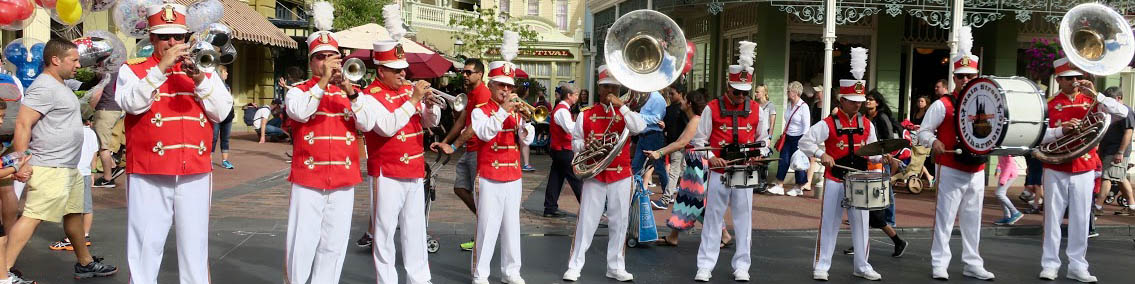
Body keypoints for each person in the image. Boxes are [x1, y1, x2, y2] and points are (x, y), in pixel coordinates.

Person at [113, 3, 234, 282]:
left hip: (195, 170)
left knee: (195, 247)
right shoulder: (134, 70)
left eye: (178, 37)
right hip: (149, 169)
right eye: (165, 36)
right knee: (146, 244)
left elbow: (221, 111)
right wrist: (160, 70)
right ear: (152, 39)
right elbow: (131, 104)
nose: (172, 42)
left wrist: (201, 79)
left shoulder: (202, 69)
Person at [5, 38, 118, 282]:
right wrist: (22, 161)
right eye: (74, 60)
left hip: (68, 167)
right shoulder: (44, 86)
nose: (78, 64)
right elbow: (24, 123)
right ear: (55, 60)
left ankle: (85, 263)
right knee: (33, 216)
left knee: (74, 215)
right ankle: (3, 272)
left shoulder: (61, 85)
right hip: (50, 166)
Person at [282, 27, 381, 283]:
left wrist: (350, 90)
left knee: (334, 245)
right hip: (308, 178)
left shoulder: (353, 92)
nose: (326, 61)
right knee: (301, 242)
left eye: (331, 55)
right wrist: (324, 82)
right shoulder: (298, 90)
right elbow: (299, 112)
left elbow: (368, 123)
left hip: (343, 178)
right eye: (320, 56)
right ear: (311, 60)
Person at [1036, 57, 1128, 282]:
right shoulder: (1047, 104)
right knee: (1053, 218)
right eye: (1068, 78)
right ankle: (1050, 264)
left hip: (1084, 165)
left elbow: (1123, 113)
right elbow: (1038, 137)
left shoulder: (1093, 100)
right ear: (1058, 80)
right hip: (1056, 164)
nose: (1074, 82)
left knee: (1080, 218)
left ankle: (1078, 265)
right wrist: (1061, 130)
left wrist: (1098, 95)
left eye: (1077, 77)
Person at [917, 30, 997, 280]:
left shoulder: (987, 102)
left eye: (970, 76)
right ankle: (939, 262)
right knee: (945, 218)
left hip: (977, 169)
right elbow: (923, 132)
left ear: (977, 77)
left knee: (973, 218)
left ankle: (972, 262)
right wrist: (935, 141)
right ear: (954, 77)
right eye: (961, 76)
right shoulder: (943, 104)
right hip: (950, 166)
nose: (965, 80)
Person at [802, 48, 887, 281]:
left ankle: (862, 265)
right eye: (854, 101)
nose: (859, 105)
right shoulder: (828, 123)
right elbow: (805, 141)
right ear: (843, 100)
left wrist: (885, 158)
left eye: (861, 101)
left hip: (859, 181)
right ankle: (822, 265)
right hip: (835, 179)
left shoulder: (867, 125)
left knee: (861, 224)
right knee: (829, 223)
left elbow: (874, 151)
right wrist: (821, 153)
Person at [362, 33, 440, 283]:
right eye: (395, 70)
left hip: (414, 168)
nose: (402, 74)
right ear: (380, 69)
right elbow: (385, 126)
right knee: (384, 232)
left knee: (415, 229)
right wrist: (414, 99)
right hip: (387, 171)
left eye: (403, 69)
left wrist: (428, 106)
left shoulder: (408, 90)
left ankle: (419, 277)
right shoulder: (369, 95)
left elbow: (431, 123)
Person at [691, 41, 767, 282]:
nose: (741, 96)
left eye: (745, 92)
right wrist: (712, 158)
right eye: (737, 91)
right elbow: (700, 141)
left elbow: (763, 140)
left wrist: (759, 154)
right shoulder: (711, 108)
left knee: (744, 219)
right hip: (719, 172)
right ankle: (705, 265)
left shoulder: (757, 110)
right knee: (713, 217)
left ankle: (742, 265)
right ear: (728, 86)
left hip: (744, 171)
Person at [561, 65, 646, 282]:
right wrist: (586, 145)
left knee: (620, 221)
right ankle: (575, 265)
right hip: (595, 175)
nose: (610, 91)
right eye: (606, 87)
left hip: (621, 174)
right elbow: (575, 142)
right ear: (598, 89)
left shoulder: (626, 113)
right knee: (587, 221)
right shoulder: (586, 114)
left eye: (614, 87)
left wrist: (623, 108)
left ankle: (616, 266)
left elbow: (639, 128)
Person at [469, 58, 531, 284]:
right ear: (491, 85)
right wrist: (504, 111)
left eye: (510, 86)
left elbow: (527, 141)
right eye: (501, 85)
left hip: (513, 175)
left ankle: (511, 271)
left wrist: (526, 123)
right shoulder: (480, 111)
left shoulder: (516, 112)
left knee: (512, 226)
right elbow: (485, 133)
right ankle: (480, 273)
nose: (506, 90)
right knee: (487, 226)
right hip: (489, 175)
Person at [428, 58, 490, 252]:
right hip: (470, 150)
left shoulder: (484, 93)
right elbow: (462, 120)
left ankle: (484, 233)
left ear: (480, 74)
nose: (464, 75)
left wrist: (453, 147)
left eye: (468, 72)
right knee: (460, 188)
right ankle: (486, 225)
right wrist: (444, 142)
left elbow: (474, 127)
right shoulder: (472, 94)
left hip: (479, 150)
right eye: (463, 72)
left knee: (479, 196)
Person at [48, 111, 98, 251]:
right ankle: (85, 234)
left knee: (71, 207)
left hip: (73, 171)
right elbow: (95, 154)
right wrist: (93, 172)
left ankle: (71, 237)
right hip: (86, 172)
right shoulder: (92, 133)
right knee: (87, 206)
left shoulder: (71, 132)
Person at [542, 83, 582, 217]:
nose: (577, 97)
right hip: (563, 150)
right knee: (577, 179)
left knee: (556, 178)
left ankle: (550, 207)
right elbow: (571, 129)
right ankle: (588, 208)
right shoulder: (562, 111)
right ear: (569, 95)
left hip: (560, 149)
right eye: (575, 95)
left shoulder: (563, 109)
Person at [1096, 86, 1135, 216]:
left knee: (1106, 177)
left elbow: (1128, 133)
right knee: (1120, 177)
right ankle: (1132, 206)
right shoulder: (1109, 110)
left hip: (1116, 150)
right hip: (1107, 148)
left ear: (1119, 98)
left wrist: (1120, 152)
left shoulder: (1127, 111)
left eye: (1111, 100)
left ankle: (1098, 206)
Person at [770, 81, 810, 196]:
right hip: (788, 136)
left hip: (799, 138)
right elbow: (788, 121)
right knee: (784, 160)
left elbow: (806, 126)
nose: (787, 93)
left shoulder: (804, 107)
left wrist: (802, 141)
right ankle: (779, 185)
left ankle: (798, 186)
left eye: (789, 91)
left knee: (798, 162)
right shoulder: (789, 105)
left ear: (795, 92)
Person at [655, 86, 690, 208]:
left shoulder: (684, 109)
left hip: (679, 144)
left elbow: (688, 127)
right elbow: (668, 125)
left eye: (672, 93)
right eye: (669, 94)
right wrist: (664, 126)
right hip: (674, 143)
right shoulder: (669, 109)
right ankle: (688, 195)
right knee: (684, 170)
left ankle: (666, 199)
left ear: (680, 94)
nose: (670, 96)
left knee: (675, 171)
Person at [86, 72, 123, 187]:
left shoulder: (104, 74)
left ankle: (107, 178)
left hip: (105, 110)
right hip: (116, 108)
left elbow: (97, 94)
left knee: (102, 146)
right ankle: (112, 167)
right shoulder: (117, 72)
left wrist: (87, 112)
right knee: (103, 142)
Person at [630, 86, 668, 199]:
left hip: (653, 136)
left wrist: (637, 116)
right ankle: (633, 191)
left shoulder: (657, 99)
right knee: (636, 165)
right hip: (644, 136)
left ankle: (667, 193)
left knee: (659, 166)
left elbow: (657, 118)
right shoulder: (648, 97)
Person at [212, 65, 235, 169]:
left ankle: (225, 161)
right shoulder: (214, 85)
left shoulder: (227, 86)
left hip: (228, 116)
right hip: (216, 115)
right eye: (225, 72)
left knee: (225, 138)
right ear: (219, 73)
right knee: (214, 137)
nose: (227, 74)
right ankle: (208, 160)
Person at [993, 156, 1024, 225]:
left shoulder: (1006, 151)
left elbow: (1009, 165)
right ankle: (1007, 216)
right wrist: (998, 170)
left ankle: (1015, 212)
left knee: (999, 193)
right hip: (1004, 174)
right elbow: (1001, 162)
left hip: (1009, 175)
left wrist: (1004, 179)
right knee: (1000, 194)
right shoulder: (1000, 150)